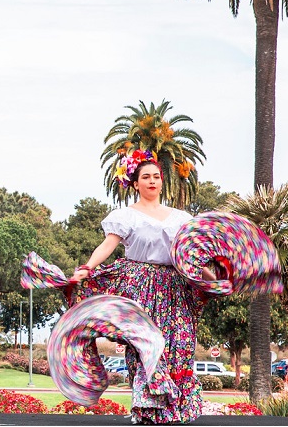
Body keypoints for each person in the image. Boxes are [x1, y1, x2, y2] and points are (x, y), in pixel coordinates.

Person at [66, 150, 205, 423]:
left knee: (180, 345)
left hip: (174, 287)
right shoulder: (126, 216)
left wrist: (210, 276)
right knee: (145, 345)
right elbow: (108, 245)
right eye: (146, 177)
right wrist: (87, 268)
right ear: (135, 183)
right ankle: (147, 409)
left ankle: (174, 410)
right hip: (139, 286)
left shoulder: (180, 218)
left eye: (156, 176)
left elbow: (191, 253)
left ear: (162, 182)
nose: (152, 181)